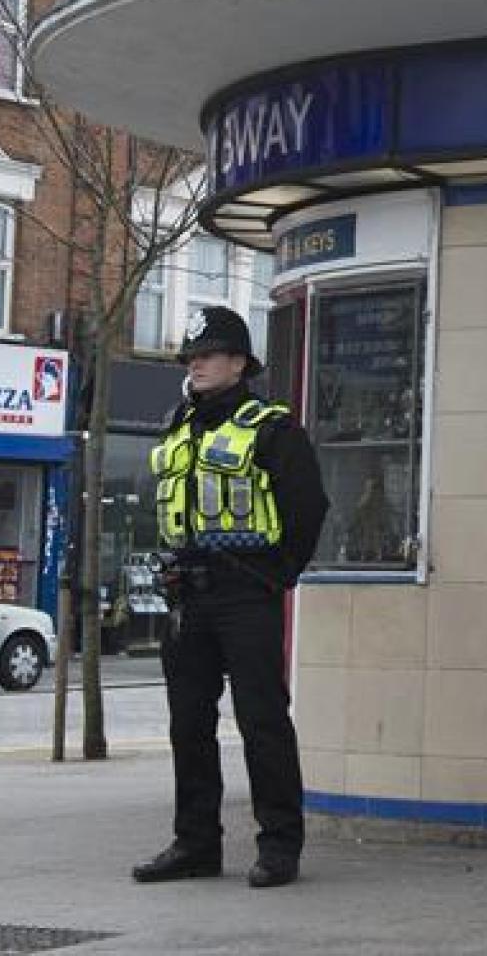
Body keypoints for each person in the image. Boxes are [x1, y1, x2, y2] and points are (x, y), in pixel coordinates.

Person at [132, 306, 328, 890]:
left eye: (207, 354)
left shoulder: (272, 428)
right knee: (188, 724)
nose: (195, 364)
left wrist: (278, 575)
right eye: (190, 356)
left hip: (246, 594)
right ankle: (195, 844)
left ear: (239, 363)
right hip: (187, 595)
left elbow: (308, 507)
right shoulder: (180, 425)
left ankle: (280, 846)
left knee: (262, 721)